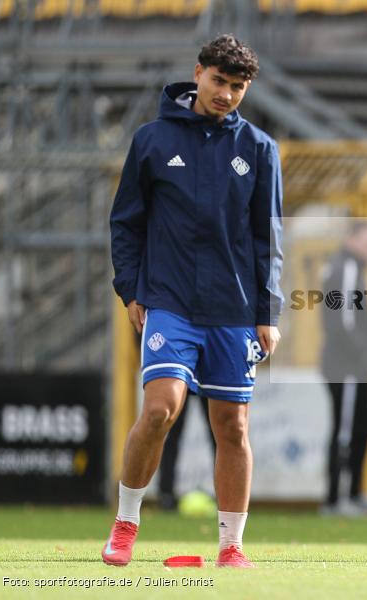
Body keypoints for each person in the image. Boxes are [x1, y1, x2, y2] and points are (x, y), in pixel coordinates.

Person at [106, 34, 284, 568]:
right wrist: (131, 288)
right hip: (170, 300)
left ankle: (231, 547)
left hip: (232, 309)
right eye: (219, 82)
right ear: (198, 73)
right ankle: (125, 523)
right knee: (161, 409)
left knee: (232, 426)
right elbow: (125, 222)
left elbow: (267, 239)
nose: (226, 94)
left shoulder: (258, 149)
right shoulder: (152, 141)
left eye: (237, 87)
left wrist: (266, 314)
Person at [319, 221, 367, 517]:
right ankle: (335, 500)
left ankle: (356, 493)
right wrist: (359, 351)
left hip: (356, 366)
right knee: (344, 428)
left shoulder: (354, 268)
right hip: (344, 365)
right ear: (352, 240)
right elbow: (342, 319)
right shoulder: (345, 267)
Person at [157, 393, 215, 511]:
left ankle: (226, 496)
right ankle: (166, 495)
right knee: (172, 435)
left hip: (209, 376)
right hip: (183, 377)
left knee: (219, 437)